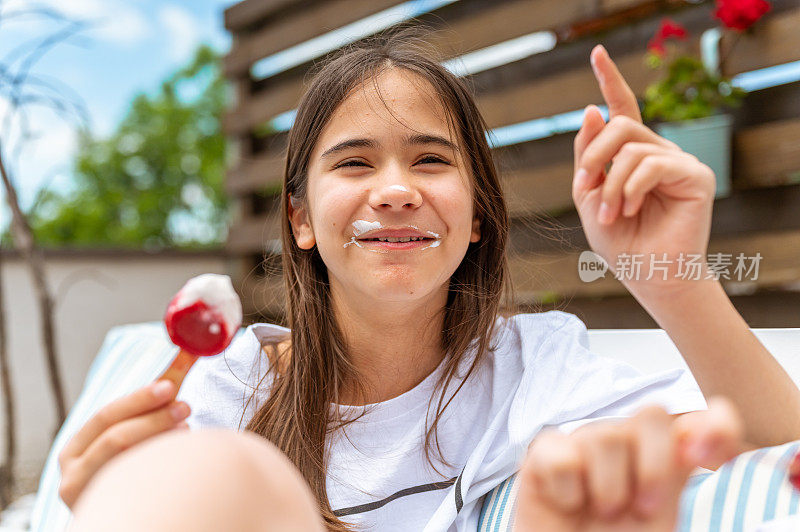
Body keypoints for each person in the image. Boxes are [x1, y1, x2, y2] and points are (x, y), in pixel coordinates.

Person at [58, 29, 800, 532]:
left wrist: (671, 275)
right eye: (353, 163)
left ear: (477, 214)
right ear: (300, 221)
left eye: (431, 160)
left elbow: (773, 442)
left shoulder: (528, 368)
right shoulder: (225, 389)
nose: (394, 190)